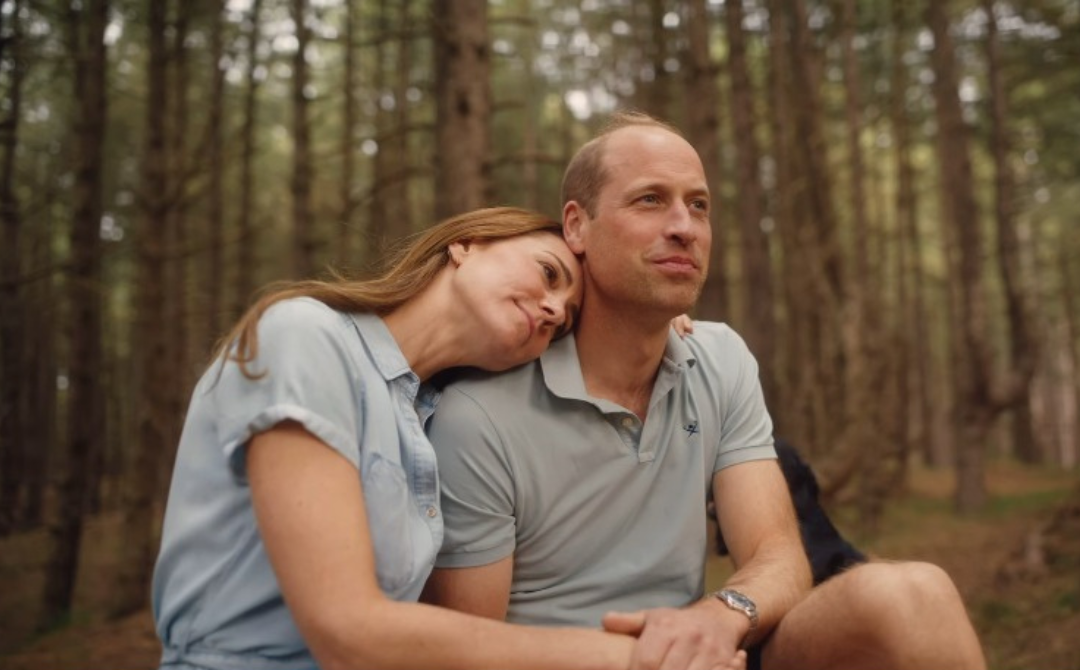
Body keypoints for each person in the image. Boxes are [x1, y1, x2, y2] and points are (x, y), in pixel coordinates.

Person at [422, 113, 988, 670]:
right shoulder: (479, 412)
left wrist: (717, 618)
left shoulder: (719, 359)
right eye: (649, 200)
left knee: (914, 593)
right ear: (576, 226)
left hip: (711, 653)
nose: (684, 227)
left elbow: (780, 558)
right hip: (578, 662)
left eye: (698, 205)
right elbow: (469, 653)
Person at [151, 206, 746, 670]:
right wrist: (640, 657)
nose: (550, 309)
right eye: (548, 273)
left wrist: (655, 326)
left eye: (564, 319)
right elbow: (346, 631)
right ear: (465, 244)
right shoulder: (308, 336)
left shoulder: (429, 417)